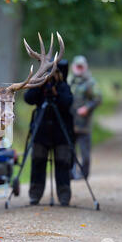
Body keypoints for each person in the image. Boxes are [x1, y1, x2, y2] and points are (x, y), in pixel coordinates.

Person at [24, 60, 74, 206]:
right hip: (41, 133)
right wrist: (39, 85)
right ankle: (35, 195)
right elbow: (28, 98)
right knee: (38, 162)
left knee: (63, 163)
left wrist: (56, 93)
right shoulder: (40, 87)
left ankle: (64, 196)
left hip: (61, 133)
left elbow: (68, 103)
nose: (51, 78)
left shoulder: (63, 86)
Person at [68, 56, 102, 179]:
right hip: (70, 123)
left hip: (84, 125)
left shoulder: (90, 82)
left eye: (81, 66)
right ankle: (71, 173)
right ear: (73, 67)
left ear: (85, 67)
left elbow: (98, 98)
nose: (79, 68)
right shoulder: (69, 81)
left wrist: (87, 108)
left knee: (85, 154)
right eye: (77, 66)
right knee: (70, 151)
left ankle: (84, 174)